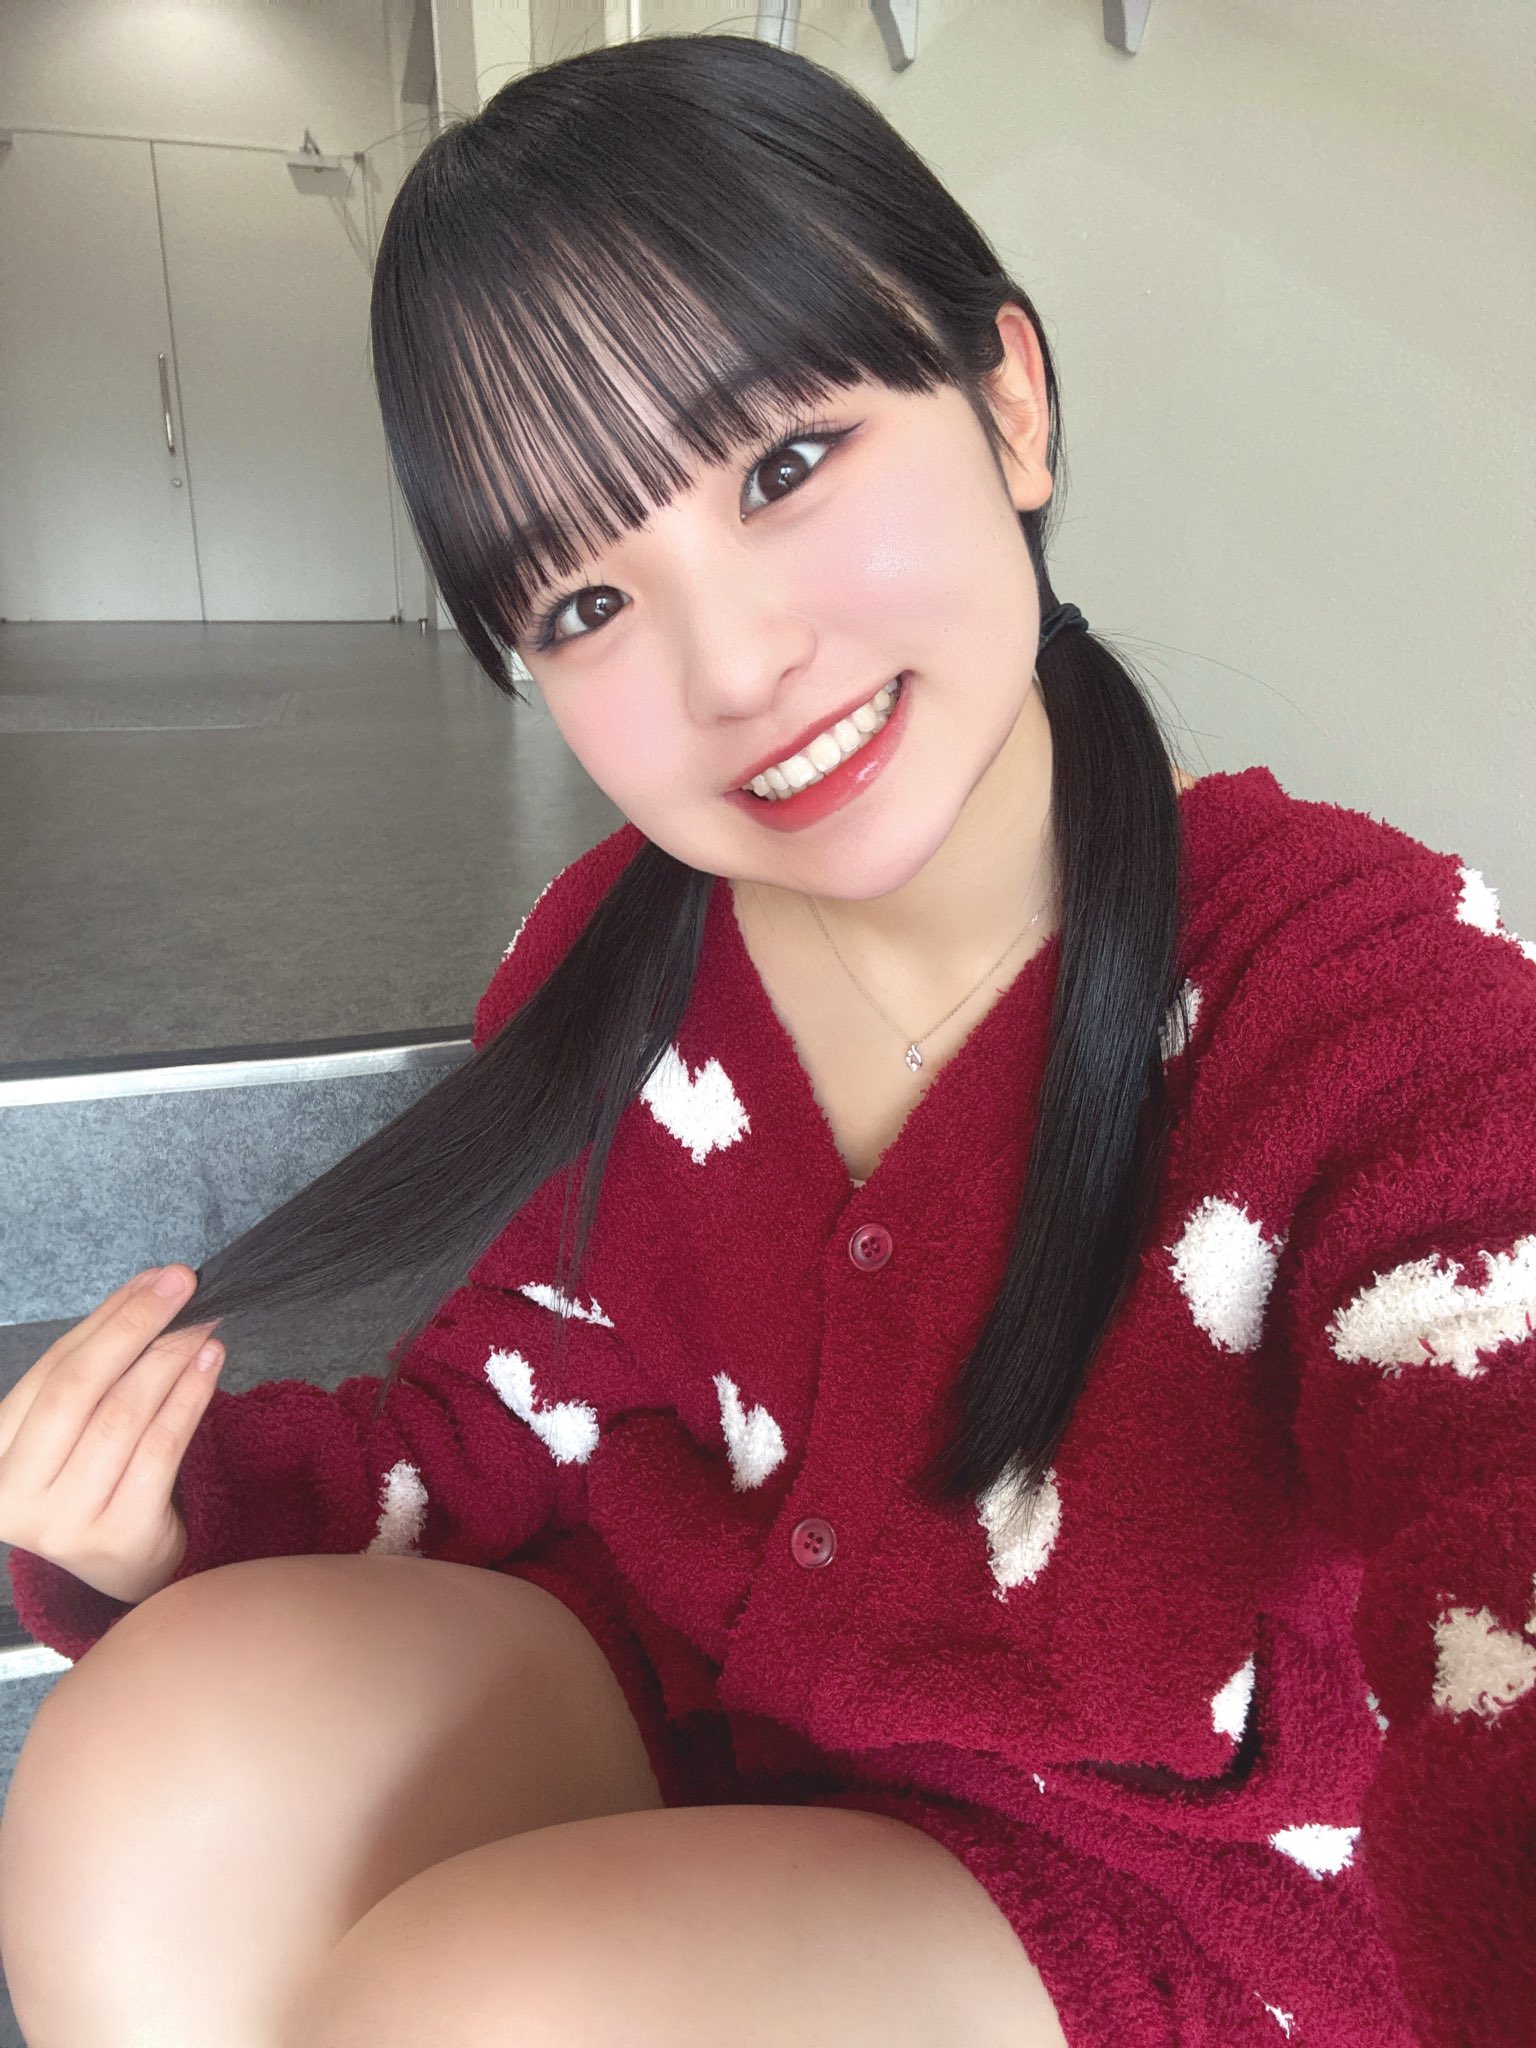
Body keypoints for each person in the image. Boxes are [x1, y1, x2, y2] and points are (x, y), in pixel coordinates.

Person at [0, 31, 1531, 2048]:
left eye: (785, 468)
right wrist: (178, 1516)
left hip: (1159, 1899)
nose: (734, 668)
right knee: (153, 1771)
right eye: (582, 603)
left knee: (489, 2008)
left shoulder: (1352, 987)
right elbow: (514, 1427)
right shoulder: (603, 958)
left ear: (1010, 399)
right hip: (707, 1703)